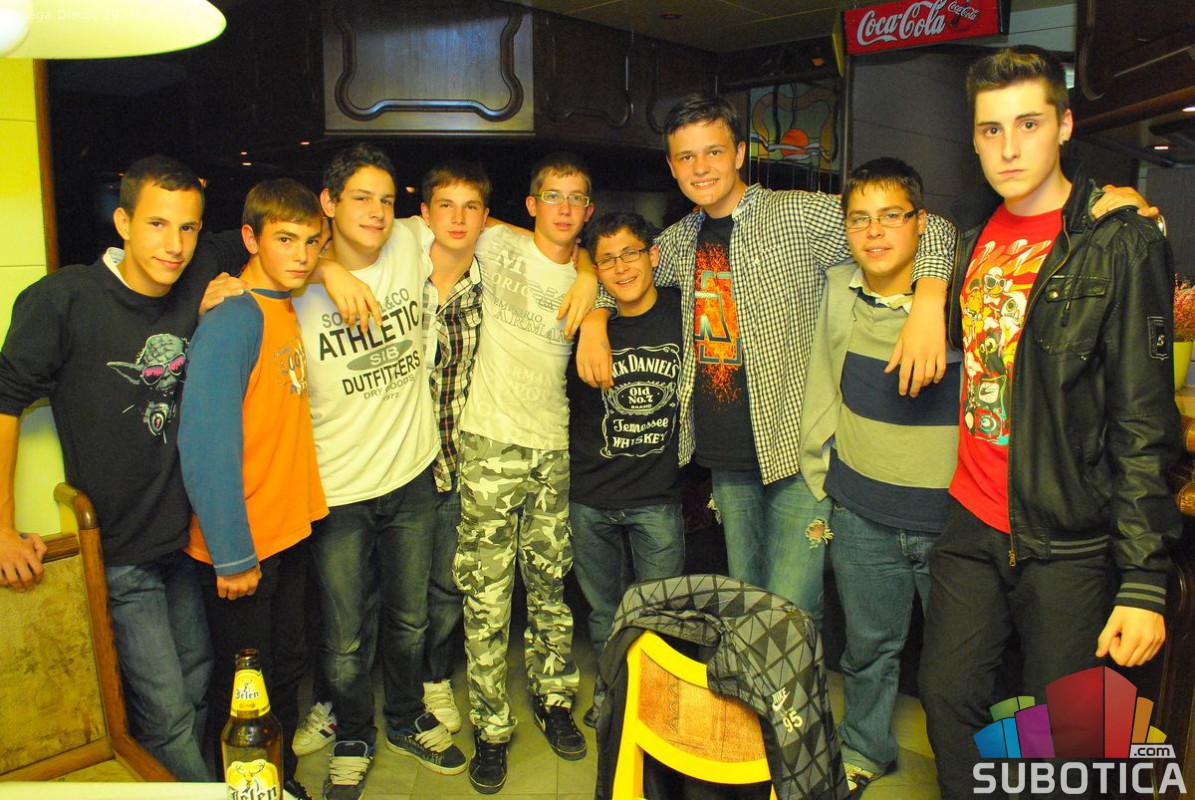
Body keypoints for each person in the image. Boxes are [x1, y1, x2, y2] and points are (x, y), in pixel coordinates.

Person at [578, 94, 956, 625]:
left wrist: (930, 302)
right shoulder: (678, 241)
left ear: (739, 153)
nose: (701, 167)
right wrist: (594, 319)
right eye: (686, 157)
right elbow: (620, 275)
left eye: (713, 151)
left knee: (791, 612)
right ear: (672, 167)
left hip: (793, 453)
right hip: (725, 457)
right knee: (747, 609)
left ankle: (798, 686)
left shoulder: (795, 214)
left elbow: (929, 227)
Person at [917, 45, 1182, 799]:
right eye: (990, 129)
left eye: (1027, 124)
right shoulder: (972, 234)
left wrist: (1143, 579)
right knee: (946, 695)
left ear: (1064, 126)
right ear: (973, 139)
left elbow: (1142, 420)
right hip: (972, 520)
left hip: (1069, 536)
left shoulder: (1118, 240)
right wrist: (928, 298)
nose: (1008, 147)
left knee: (1065, 739)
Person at [0, 155, 249, 781]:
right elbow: (3, 402)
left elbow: (282, 234)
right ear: (123, 222)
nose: (175, 245)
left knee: (199, 684)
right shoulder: (65, 299)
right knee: (165, 713)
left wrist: (332, 270)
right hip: (118, 550)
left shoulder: (200, 269)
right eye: (158, 225)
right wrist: (0, 528)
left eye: (188, 227)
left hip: (181, 540)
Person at [294, 143, 466, 800]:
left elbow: (510, 230)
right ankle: (353, 733)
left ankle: (404, 717)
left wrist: (588, 275)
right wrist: (324, 270)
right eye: (361, 198)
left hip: (411, 476)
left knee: (410, 618)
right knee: (343, 636)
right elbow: (235, 259)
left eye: (387, 200)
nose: (377, 212)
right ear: (328, 203)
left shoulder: (408, 240)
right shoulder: (293, 278)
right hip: (337, 488)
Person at [800, 158, 960, 796]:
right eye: (860, 218)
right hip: (861, 512)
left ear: (919, 223)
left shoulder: (958, 298)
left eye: (892, 216)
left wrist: (931, 297)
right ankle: (865, 747)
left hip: (950, 522)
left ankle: (969, 773)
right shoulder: (837, 290)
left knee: (960, 669)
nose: (874, 231)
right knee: (867, 649)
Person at [179, 178, 328, 799]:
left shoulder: (281, 304)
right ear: (250, 238)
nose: (301, 255)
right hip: (244, 549)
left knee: (285, 672)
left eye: (311, 242)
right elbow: (204, 445)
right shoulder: (234, 318)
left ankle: (279, 781)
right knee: (243, 694)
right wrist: (234, 554)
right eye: (285, 239)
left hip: (286, 532)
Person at [455, 152, 594, 794]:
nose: (564, 208)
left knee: (549, 587)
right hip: (488, 442)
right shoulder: (496, 242)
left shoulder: (592, 276)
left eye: (576, 198)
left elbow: (597, 268)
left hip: (551, 447)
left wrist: (587, 275)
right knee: (486, 595)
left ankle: (553, 699)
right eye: (552, 196)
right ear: (532, 204)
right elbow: (422, 228)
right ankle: (490, 729)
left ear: (587, 210)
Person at [566, 211, 686, 728]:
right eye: (608, 260)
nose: (621, 267)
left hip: (656, 497)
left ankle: (658, 709)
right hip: (589, 496)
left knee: (662, 613)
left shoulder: (683, 311)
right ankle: (613, 696)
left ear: (652, 255)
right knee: (603, 612)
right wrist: (595, 317)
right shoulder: (584, 320)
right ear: (596, 269)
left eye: (630, 254)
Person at [418, 160, 492, 737]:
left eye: (471, 207)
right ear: (425, 214)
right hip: (394, 459)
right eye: (446, 205)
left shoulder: (492, 281)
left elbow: (570, 255)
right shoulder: (398, 270)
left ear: (486, 218)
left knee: (447, 582)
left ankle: (434, 678)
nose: (458, 218)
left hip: (456, 457)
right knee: (373, 588)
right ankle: (339, 697)